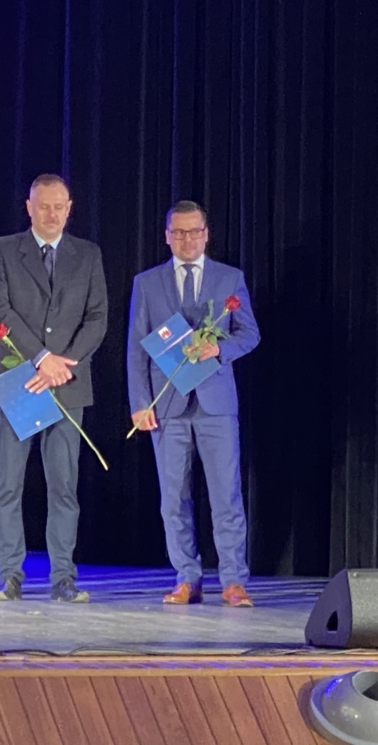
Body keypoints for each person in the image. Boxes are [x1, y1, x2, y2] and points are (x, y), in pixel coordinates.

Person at [127, 200, 260, 607]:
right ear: (167, 236)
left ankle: (233, 580)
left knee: (226, 495)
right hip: (167, 405)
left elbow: (249, 334)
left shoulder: (229, 278)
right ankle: (187, 577)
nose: (186, 240)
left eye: (194, 232)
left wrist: (218, 350)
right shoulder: (147, 283)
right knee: (173, 499)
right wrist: (140, 403)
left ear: (206, 234)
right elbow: (136, 349)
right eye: (178, 233)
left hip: (216, 404)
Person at [0, 174, 107, 603]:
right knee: (9, 483)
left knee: (64, 486)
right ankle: (9, 575)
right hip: (19, 379)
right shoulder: (3, 249)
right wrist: (40, 358)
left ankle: (63, 577)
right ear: (29, 207)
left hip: (67, 382)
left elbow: (97, 317)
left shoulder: (87, 254)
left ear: (69, 209)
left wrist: (62, 363)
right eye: (43, 206)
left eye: (59, 206)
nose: (51, 214)